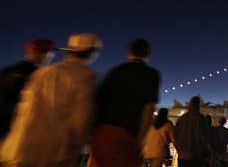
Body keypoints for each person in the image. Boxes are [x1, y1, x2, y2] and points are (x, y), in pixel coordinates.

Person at [0, 33, 101, 167]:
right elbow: (80, 118)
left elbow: (22, 107)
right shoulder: (87, 77)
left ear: (69, 52)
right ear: (93, 53)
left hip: (19, 145)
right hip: (53, 152)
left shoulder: (44, 72)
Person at [92, 38, 161, 167]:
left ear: (129, 52)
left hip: (102, 132)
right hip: (125, 134)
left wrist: (92, 131)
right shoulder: (151, 74)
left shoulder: (115, 71)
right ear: (147, 54)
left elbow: (98, 103)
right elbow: (148, 109)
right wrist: (140, 139)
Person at [0, 39, 56, 143]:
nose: (50, 56)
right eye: (49, 53)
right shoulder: (40, 75)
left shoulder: (6, 71)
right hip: (18, 129)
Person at [173, 96, 211, 167]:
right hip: (195, 155)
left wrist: (178, 149)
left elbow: (175, 135)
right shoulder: (201, 118)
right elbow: (203, 137)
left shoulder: (182, 118)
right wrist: (206, 152)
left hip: (181, 155)